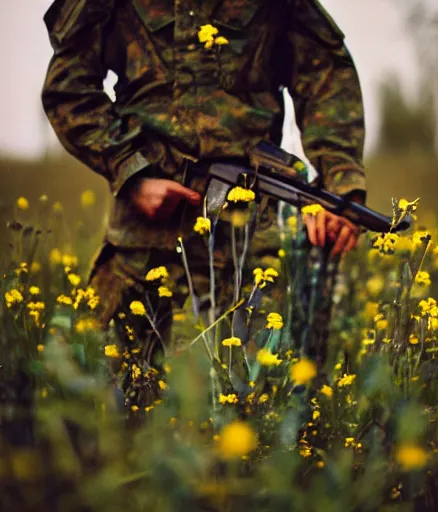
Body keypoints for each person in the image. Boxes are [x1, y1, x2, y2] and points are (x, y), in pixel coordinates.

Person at [42, 0, 366, 402]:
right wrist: (131, 171)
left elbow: (327, 76)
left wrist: (339, 187)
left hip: (249, 237)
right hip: (146, 239)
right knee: (105, 399)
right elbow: (67, 87)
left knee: (264, 404)